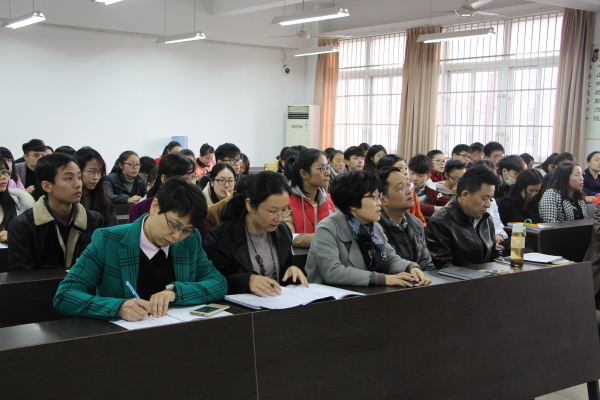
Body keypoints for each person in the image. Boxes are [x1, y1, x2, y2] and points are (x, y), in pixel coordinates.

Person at [53, 177, 227, 321]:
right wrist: (118, 307)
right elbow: (65, 295)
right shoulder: (108, 240)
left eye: (186, 230)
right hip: (123, 339)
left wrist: (176, 292)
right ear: (155, 207)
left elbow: (218, 283)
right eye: (174, 225)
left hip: (175, 333)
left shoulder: (190, 240)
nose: (176, 236)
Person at [305, 170, 431, 287]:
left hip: (365, 294)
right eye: (374, 197)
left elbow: (390, 259)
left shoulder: (374, 226)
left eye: (379, 196)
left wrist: (410, 267)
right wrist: (382, 279)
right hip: (331, 298)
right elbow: (332, 272)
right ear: (353, 203)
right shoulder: (327, 229)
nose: (379, 202)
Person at [203, 172, 308, 296]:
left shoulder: (282, 231)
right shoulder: (222, 237)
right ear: (249, 204)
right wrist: (246, 282)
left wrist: (293, 269)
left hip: (276, 302)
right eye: (272, 211)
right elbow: (209, 282)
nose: (279, 218)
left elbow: (287, 263)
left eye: (284, 209)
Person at [8, 153, 104, 271]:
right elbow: (23, 275)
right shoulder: (22, 226)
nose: (78, 184)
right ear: (47, 186)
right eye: (68, 178)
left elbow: (100, 266)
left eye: (79, 177)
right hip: (43, 284)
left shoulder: (94, 220)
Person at [425, 165, 502, 269]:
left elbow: (494, 255)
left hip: (484, 276)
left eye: (490, 199)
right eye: (484, 199)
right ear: (465, 194)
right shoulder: (441, 221)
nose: (488, 205)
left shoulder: (486, 220)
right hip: (457, 278)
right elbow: (442, 265)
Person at [128, 154, 208, 238]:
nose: (190, 183)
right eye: (184, 178)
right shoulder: (140, 208)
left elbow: (203, 239)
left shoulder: (196, 207)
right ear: (164, 179)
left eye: (192, 177)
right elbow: (132, 238)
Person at [375, 167, 435, 271]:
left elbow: (427, 264)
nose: (409, 191)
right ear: (383, 199)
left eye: (408, 185)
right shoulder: (375, 228)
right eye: (400, 188)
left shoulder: (415, 223)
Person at [282, 149, 336, 248]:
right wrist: (329, 238)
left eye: (327, 167)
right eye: (322, 168)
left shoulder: (329, 199)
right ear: (304, 173)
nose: (328, 173)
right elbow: (289, 237)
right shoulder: (286, 201)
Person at [377, 154, 426, 226]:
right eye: (399, 168)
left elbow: (421, 221)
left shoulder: (411, 194)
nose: (405, 172)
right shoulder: (376, 225)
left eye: (406, 168)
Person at [75, 147, 117, 228]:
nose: (96, 177)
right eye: (92, 171)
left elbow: (113, 230)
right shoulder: (69, 202)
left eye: (100, 172)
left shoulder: (104, 203)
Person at [0, 157, 35, 244]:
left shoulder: (18, 201)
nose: (3, 177)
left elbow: (30, 233)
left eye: (5, 172)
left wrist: (12, 235)